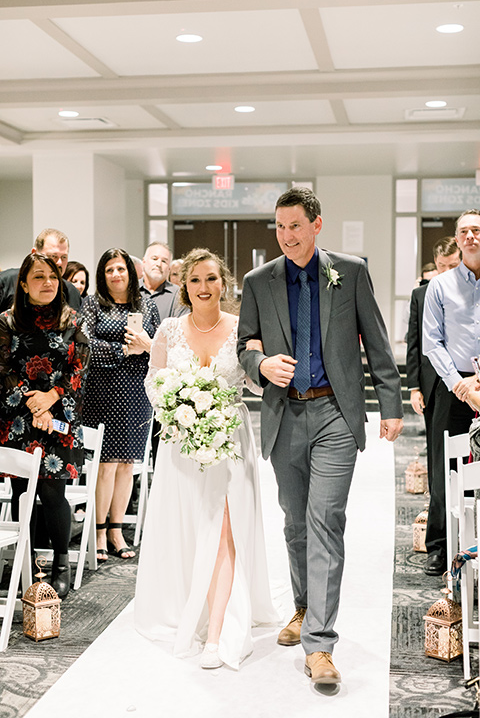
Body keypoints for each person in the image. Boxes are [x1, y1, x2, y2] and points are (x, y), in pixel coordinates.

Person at [237, 187, 403, 685]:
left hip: (334, 411)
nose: (286, 236)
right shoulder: (259, 281)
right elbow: (245, 344)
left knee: (326, 518)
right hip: (284, 415)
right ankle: (304, 608)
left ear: (317, 225)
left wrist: (390, 402)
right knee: (295, 522)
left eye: (295, 226)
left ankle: (320, 646)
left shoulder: (348, 271)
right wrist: (261, 363)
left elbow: (376, 339)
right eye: (280, 227)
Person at [135, 248, 278, 671]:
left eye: (212, 279)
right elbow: (152, 383)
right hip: (181, 443)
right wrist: (179, 407)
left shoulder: (240, 330)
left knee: (223, 530)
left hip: (230, 440)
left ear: (224, 283)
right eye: (195, 279)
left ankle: (218, 632)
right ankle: (189, 607)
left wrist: (263, 371)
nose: (203, 287)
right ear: (185, 285)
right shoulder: (167, 330)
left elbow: (254, 383)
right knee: (189, 527)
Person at [0, 253, 89, 598]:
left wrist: (50, 398)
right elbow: (3, 369)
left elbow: (79, 370)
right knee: (23, 491)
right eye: (39, 277)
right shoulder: (6, 322)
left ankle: (61, 564)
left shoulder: (73, 320)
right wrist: (30, 399)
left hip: (60, 415)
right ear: (23, 284)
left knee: (53, 492)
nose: (48, 283)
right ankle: (28, 562)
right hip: (19, 415)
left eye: (52, 276)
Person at [81, 249, 160, 562]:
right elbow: (85, 344)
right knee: (106, 465)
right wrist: (123, 351)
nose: (116, 274)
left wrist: (145, 346)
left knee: (127, 465)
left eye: (121, 269)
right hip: (102, 391)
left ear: (131, 272)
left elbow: (159, 346)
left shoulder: (147, 305)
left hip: (137, 392)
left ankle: (116, 532)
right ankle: (99, 533)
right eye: (109, 269)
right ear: (103, 275)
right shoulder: (92, 304)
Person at [422, 210, 480, 576]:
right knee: (447, 468)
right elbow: (431, 340)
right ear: (456, 240)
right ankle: (439, 545)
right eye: (465, 232)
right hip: (453, 385)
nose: (471, 236)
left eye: (477, 230)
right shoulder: (440, 286)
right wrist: (458, 383)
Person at [406, 238, 460, 566]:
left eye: (453, 267)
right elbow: (415, 342)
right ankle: (438, 546)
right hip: (436, 387)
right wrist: (415, 386)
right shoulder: (422, 295)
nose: (446, 273)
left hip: (470, 384)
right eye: (442, 268)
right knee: (439, 468)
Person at [140, 242, 189, 465]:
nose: (159, 264)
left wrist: (146, 344)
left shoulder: (179, 296)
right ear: (143, 262)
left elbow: (178, 342)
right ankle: (131, 501)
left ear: (169, 268)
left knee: (163, 451)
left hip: (165, 384)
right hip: (128, 380)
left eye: (164, 260)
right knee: (129, 456)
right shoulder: (129, 292)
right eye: (154, 258)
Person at [0, 229, 82, 313]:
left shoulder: (71, 292)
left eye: (64, 257)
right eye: (53, 256)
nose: (59, 263)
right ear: (34, 254)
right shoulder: (5, 282)